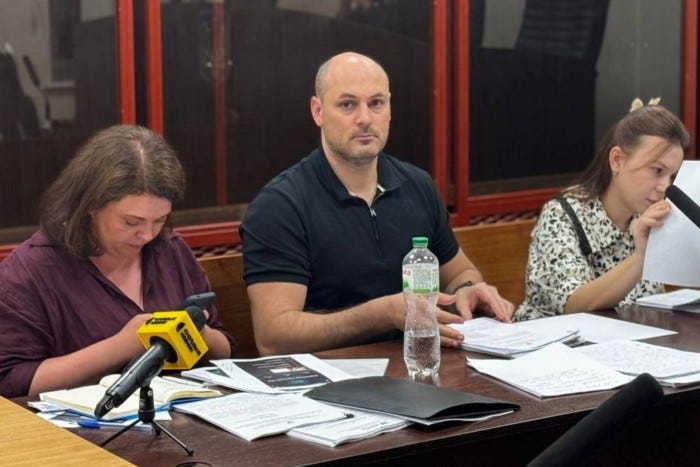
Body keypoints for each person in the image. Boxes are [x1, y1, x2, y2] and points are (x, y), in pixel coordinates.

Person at [241, 51, 514, 356]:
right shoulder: (279, 206)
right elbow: (273, 337)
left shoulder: (417, 184)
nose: (365, 119)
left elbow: (459, 274)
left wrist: (468, 290)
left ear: (389, 109)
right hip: (330, 382)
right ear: (317, 111)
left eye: (376, 103)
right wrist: (381, 313)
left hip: (421, 363)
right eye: (347, 105)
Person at [0, 125, 234, 398]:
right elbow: (10, 383)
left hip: (179, 418)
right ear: (90, 205)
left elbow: (225, 348)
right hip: (76, 431)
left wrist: (196, 333)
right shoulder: (31, 271)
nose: (147, 235)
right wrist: (124, 344)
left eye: (160, 220)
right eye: (131, 222)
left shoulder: (169, 250)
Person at [514, 100, 690, 321]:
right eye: (657, 170)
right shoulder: (561, 214)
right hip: (554, 347)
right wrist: (641, 256)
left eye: (672, 176)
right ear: (617, 160)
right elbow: (575, 304)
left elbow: (652, 309)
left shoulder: (648, 217)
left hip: (626, 345)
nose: (665, 186)